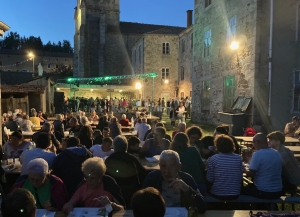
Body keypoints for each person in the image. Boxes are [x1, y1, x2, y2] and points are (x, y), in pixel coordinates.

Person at [105, 135, 147, 208]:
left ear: (114, 147)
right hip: (132, 193)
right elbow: (143, 173)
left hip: (114, 194)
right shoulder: (132, 159)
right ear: (126, 146)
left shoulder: (109, 160)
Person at [243, 133, 282, 199]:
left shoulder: (258, 154)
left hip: (263, 190)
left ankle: (253, 208)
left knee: (241, 191)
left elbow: (251, 174)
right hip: (278, 190)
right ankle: (269, 207)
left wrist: (244, 169)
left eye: (253, 143)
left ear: (257, 143)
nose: (253, 145)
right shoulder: (276, 153)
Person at [206, 134, 243, 200]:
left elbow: (210, 179)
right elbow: (240, 178)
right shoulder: (238, 158)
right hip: (235, 193)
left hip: (217, 193)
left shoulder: (213, 159)